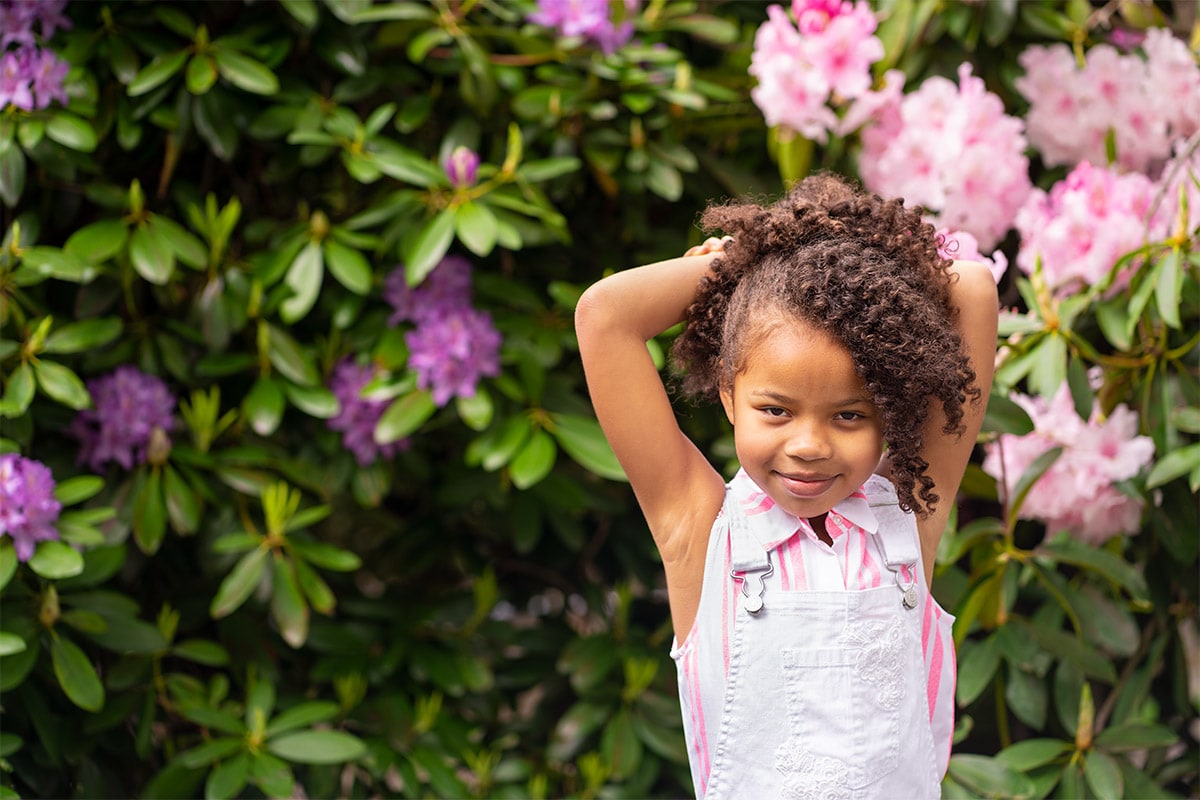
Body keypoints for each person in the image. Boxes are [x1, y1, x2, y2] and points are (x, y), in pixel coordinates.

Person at [574, 173, 998, 799]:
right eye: (775, 410)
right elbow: (604, 316)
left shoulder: (910, 512)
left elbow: (974, 287)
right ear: (728, 396)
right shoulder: (700, 530)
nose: (808, 445)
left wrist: (792, 254)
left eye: (850, 415)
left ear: (894, 411)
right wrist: (736, 266)